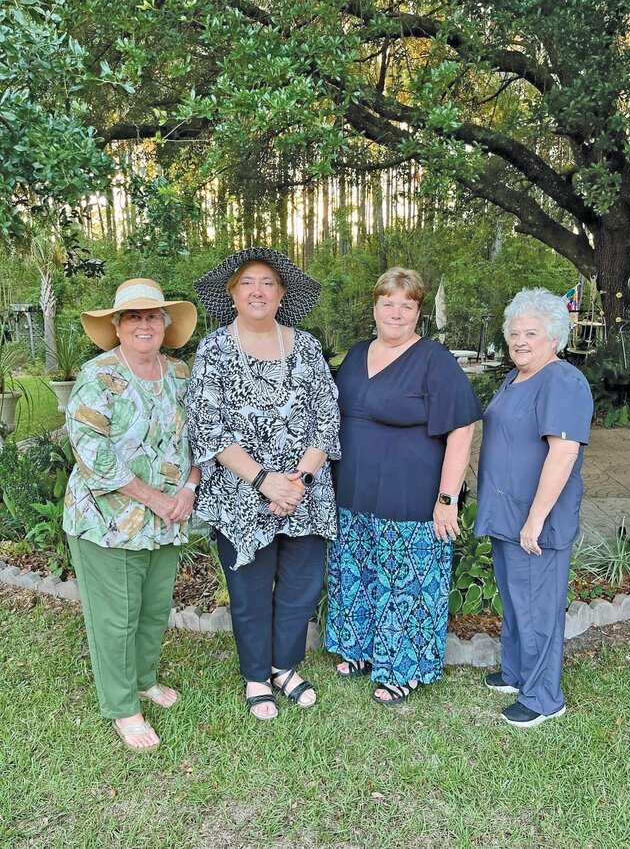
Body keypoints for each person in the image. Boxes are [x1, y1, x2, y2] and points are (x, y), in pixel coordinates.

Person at [187, 247, 340, 721]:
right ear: (232, 294)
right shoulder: (214, 349)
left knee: (300, 586)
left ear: (281, 295)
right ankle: (256, 675)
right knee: (250, 589)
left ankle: (284, 666)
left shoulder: (308, 347)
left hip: (305, 493)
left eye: (268, 283)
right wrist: (264, 481)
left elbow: (327, 416)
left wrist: (300, 480)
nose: (258, 290)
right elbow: (206, 426)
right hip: (241, 494)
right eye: (247, 282)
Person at [326, 267, 482, 705]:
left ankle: (404, 668)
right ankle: (359, 650)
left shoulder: (434, 360)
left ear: (418, 312)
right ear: (374, 307)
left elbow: (462, 430)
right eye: (388, 303)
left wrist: (447, 499)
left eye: (407, 306)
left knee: (406, 583)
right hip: (353, 494)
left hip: (410, 496)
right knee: (357, 575)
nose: (396, 313)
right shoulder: (356, 355)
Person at [63, 278, 200, 751]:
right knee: (116, 618)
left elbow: (201, 438)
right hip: (106, 520)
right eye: (133, 317)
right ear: (118, 327)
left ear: (165, 326)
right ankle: (123, 707)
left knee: (153, 609)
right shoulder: (97, 376)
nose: (144, 324)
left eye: (152, 317)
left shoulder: (181, 374)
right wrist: (157, 499)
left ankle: (144, 680)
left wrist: (188, 488)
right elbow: (91, 452)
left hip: (169, 516)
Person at [475, 287, 593, 728]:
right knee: (514, 599)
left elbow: (562, 454)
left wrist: (536, 519)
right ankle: (516, 673)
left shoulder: (561, 380)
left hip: (535, 519)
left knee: (537, 606)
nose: (520, 341)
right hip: (508, 514)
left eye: (531, 333)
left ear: (555, 337)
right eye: (514, 333)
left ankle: (544, 697)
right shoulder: (516, 376)